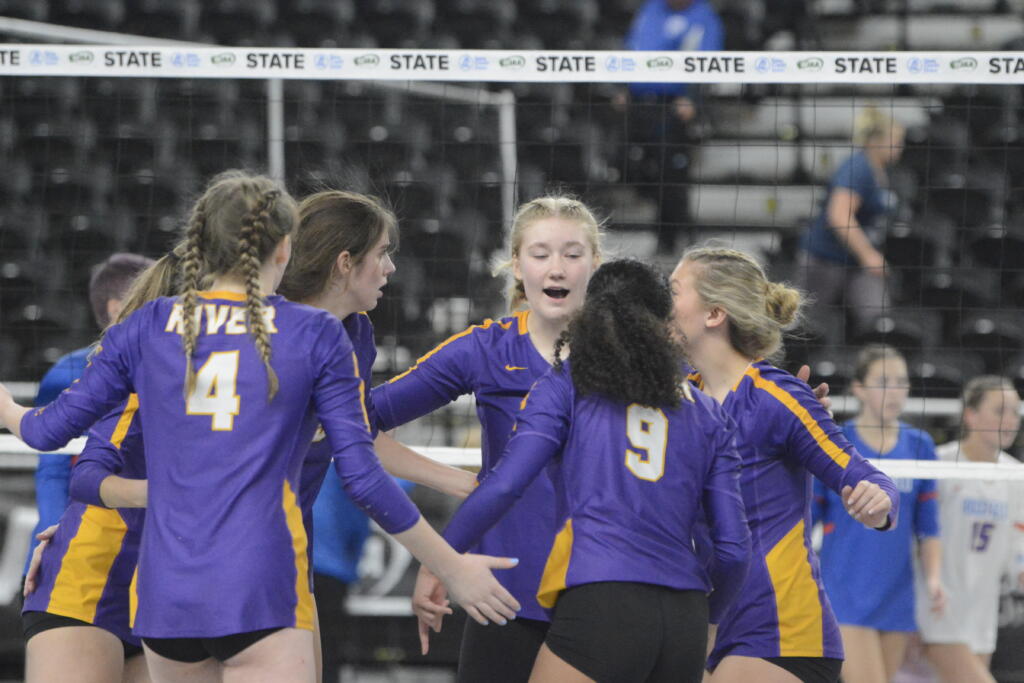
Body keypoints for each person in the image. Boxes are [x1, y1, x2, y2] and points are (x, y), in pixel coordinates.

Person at [0, 171, 519, 683]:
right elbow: (361, 474)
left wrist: (6, 407)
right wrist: (450, 565)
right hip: (260, 580)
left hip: (167, 589)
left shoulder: (148, 324)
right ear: (283, 249)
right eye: (382, 253)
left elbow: (46, 433)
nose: (389, 267)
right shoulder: (314, 334)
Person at [414, 259, 751, 682]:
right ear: (665, 324)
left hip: (603, 601)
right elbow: (734, 550)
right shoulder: (707, 412)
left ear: (588, 317)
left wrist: (439, 562)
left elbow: (504, 485)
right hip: (684, 616)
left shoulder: (566, 386)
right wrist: (708, 620)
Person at [370, 195, 603, 682]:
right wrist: (456, 482)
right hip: (504, 594)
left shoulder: (632, 355)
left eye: (572, 254)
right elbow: (355, 423)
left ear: (595, 263)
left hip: (603, 594)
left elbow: (720, 409)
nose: (556, 268)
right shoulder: (486, 347)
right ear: (517, 264)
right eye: (540, 254)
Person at [669, 246, 900, 683]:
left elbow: (862, 474)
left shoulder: (778, 398)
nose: (666, 304)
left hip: (784, 631)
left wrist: (878, 502)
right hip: (710, 627)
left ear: (714, 313)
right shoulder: (677, 396)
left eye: (676, 291)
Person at [812, 344, 945, 683]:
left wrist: (933, 579)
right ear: (858, 388)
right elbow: (807, 517)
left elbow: (928, 527)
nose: (895, 391)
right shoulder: (837, 440)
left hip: (897, 590)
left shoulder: (920, 445)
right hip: (845, 589)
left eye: (902, 382)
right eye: (884, 381)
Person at [25, 252, 153, 575]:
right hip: (78, 551)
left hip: (143, 545)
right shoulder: (69, 371)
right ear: (115, 309)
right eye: (152, 297)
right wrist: (56, 540)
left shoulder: (169, 366)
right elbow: (52, 470)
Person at [917, 376, 1024, 683]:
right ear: (971, 415)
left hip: (981, 615)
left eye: (1015, 412)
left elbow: (1017, 545)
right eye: (1000, 411)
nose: (1010, 420)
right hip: (936, 610)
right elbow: (917, 537)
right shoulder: (939, 464)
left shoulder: (1016, 475)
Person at [617, 0, 724, 247]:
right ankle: (672, 226)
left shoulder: (703, 16)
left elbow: (708, 61)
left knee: (671, 174)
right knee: (631, 164)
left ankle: (672, 237)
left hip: (674, 108)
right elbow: (632, 49)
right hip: (640, 104)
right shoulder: (650, 10)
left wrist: (693, 99)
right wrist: (622, 86)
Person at [798, 107, 905, 333]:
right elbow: (839, 215)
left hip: (854, 264)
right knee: (810, 326)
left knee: (877, 320)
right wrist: (868, 255)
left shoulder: (881, 171)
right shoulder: (857, 168)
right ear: (875, 141)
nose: (900, 148)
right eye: (895, 142)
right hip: (826, 261)